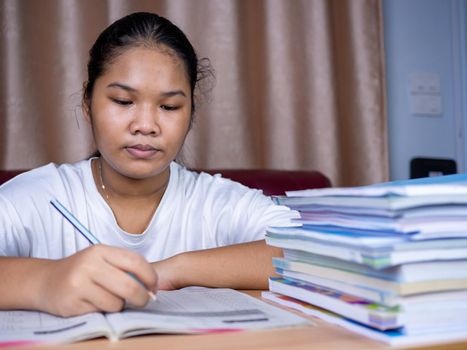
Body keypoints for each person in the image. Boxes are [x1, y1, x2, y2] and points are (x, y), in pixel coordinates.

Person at [0, 12, 298, 317]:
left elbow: (309, 256)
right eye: (123, 101)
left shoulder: (217, 203)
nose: (146, 125)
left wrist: (174, 269)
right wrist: (45, 281)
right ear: (88, 104)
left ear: (191, 113)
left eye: (169, 106)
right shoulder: (37, 197)